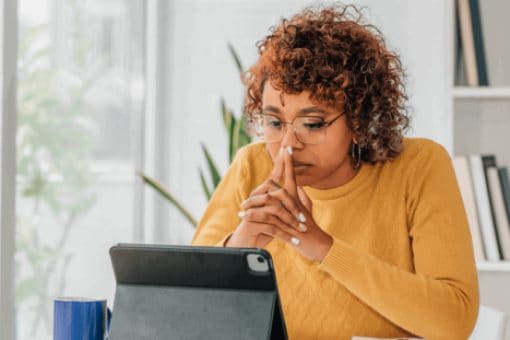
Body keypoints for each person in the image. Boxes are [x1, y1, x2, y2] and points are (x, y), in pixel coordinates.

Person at [192, 4, 479, 339]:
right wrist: (242, 244)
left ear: (359, 120)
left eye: (312, 124)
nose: (287, 145)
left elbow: (452, 322)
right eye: (274, 123)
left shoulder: (419, 167)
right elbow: (187, 312)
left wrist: (320, 246)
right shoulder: (251, 166)